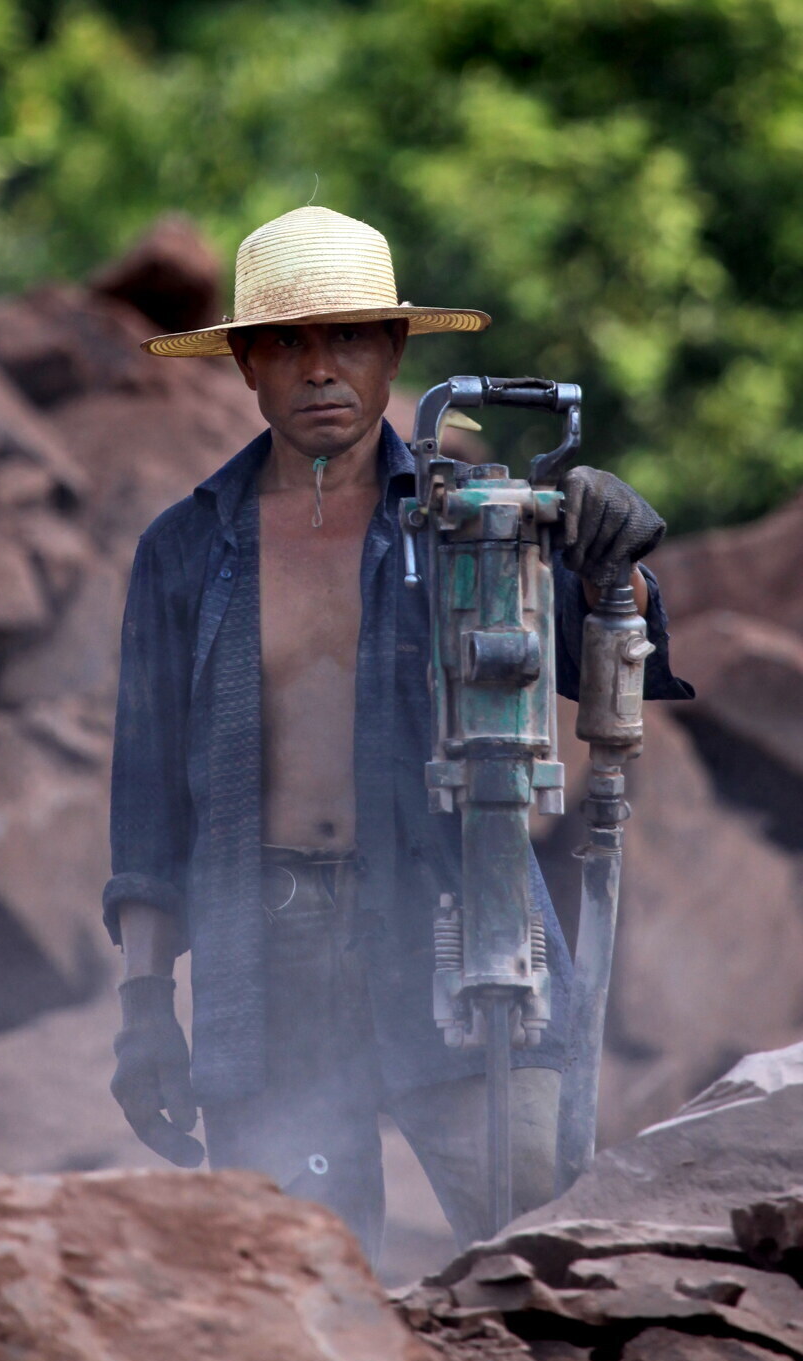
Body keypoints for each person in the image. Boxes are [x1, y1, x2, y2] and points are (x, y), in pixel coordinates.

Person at [102, 206, 692, 1265]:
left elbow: (613, 638)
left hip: (465, 931)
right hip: (267, 961)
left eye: (350, 340)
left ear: (395, 352)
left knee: (548, 1252)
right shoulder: (186, 550)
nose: (319, 370)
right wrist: (146, 1005)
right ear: (243, 363)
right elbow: (147, 800)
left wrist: (612, 557)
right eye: (286, 342)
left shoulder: (477, 520)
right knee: (291, 1287)